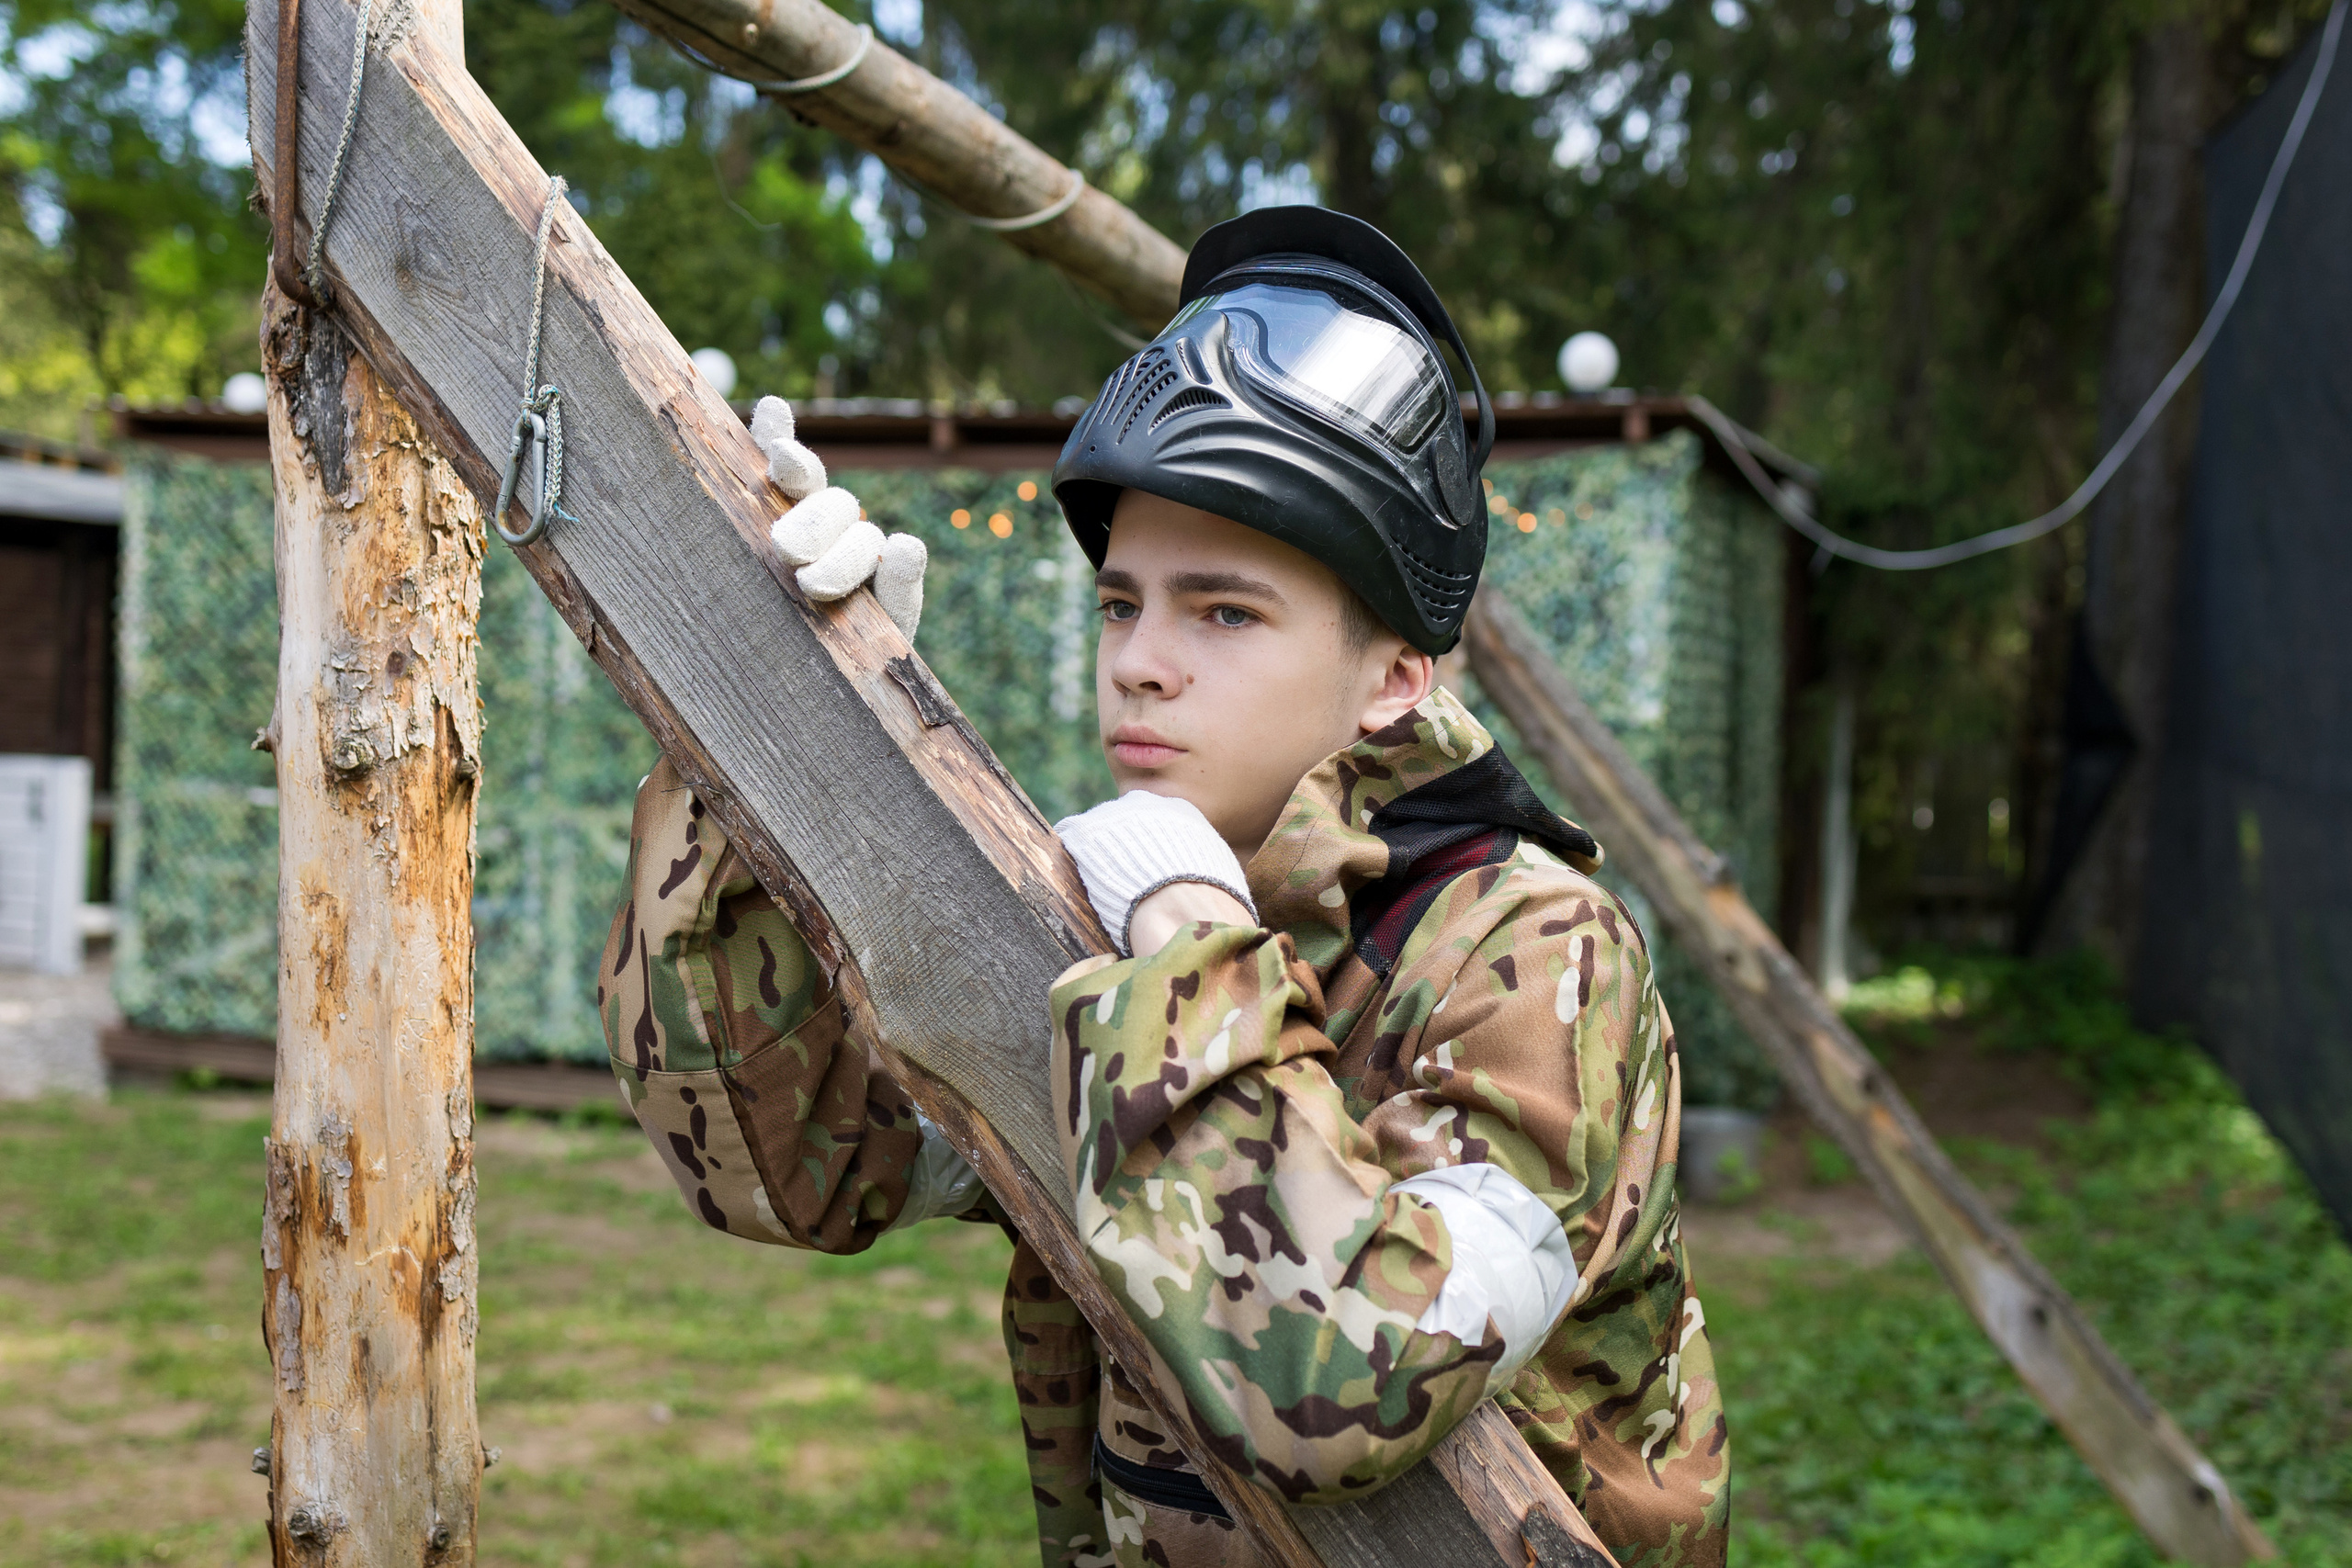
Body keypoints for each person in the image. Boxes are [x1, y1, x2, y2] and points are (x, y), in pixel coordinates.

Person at [600, 207, 1728, 1568]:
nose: (1141, 660)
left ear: (1394, 680)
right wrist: (762, 741)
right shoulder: (1114, 907)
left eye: (1225, 611)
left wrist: (1190, 939)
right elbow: (797, 1174)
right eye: (1123, 603)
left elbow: (1340, 1384)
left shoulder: (1535, 950)